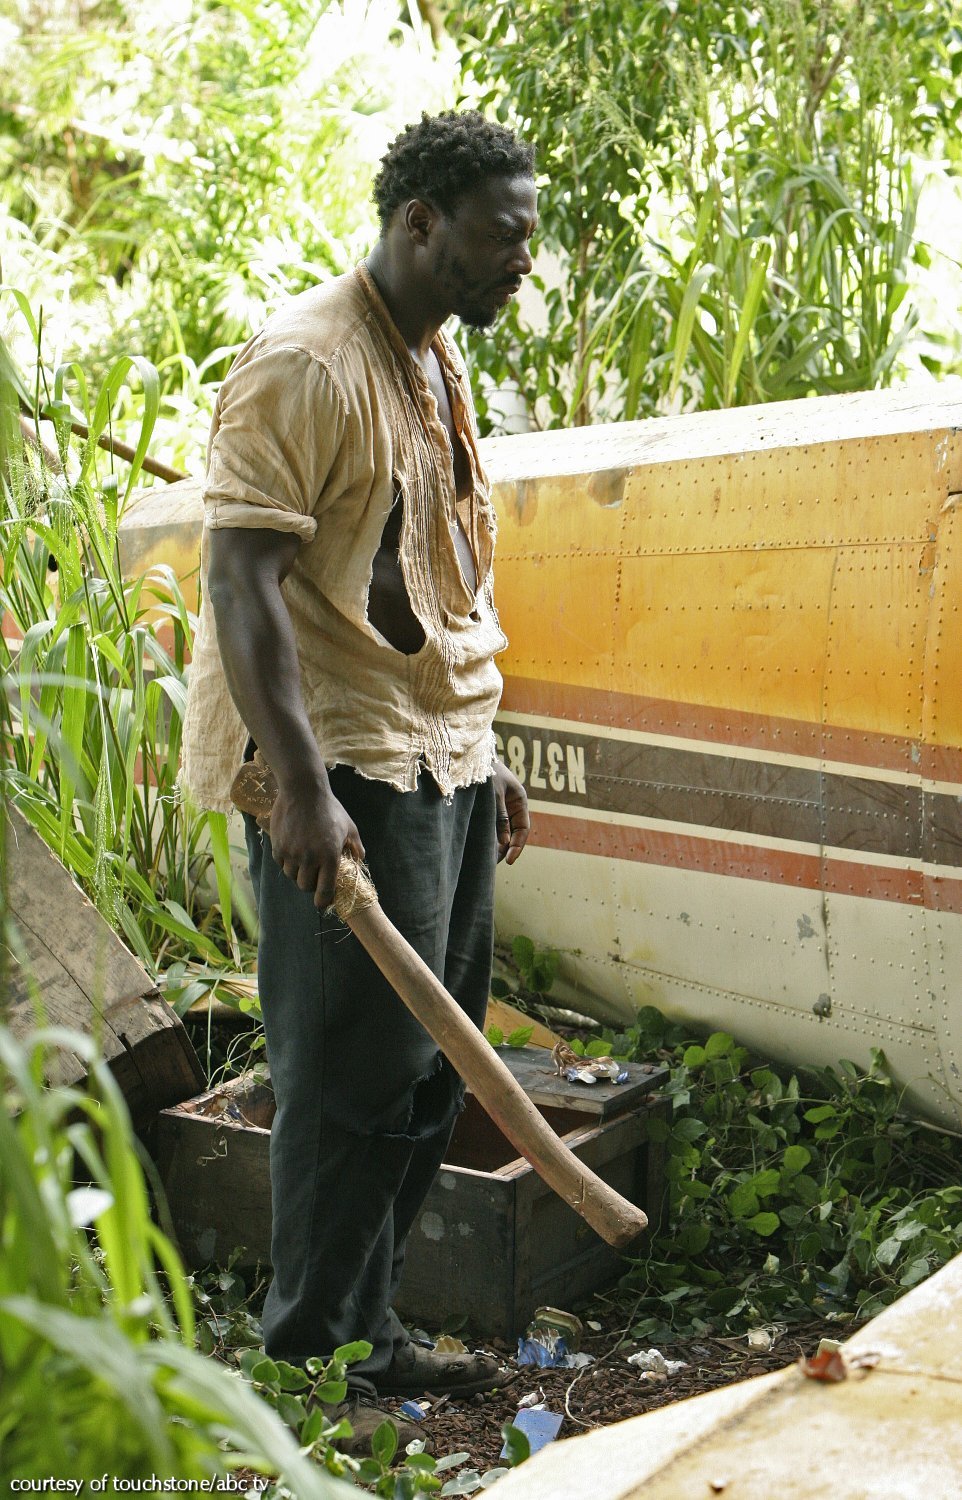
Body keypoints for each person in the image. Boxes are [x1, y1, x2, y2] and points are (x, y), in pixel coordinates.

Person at [181, 110, 536, 1451]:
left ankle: (365, 1332)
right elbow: (241, 587)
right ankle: (309, 1354)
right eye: (504, 239)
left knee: (428, 1074)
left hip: (429, 751)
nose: (521, 265)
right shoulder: (304, 365)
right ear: (419, 223)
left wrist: (482, 746)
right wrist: (301, 790)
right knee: (342, 1077)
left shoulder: (432, 360)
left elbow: (441, 576)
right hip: (335, 765)